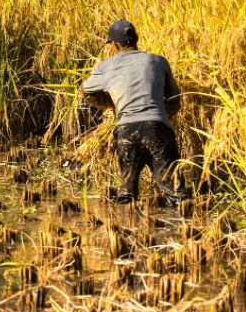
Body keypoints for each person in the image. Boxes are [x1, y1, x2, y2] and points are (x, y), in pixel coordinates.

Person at [81, 20, 188, 205]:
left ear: (115, 44)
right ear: (135, 39)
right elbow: (175, 100)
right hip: (158, 128)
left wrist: (111, 104)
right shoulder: (158, 61)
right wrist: (162, 117)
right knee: (175, 192)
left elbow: (84, 90)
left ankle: (126, 226)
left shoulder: (107, 66)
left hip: (126, 131)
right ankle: (181, 228)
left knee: (127, 195)